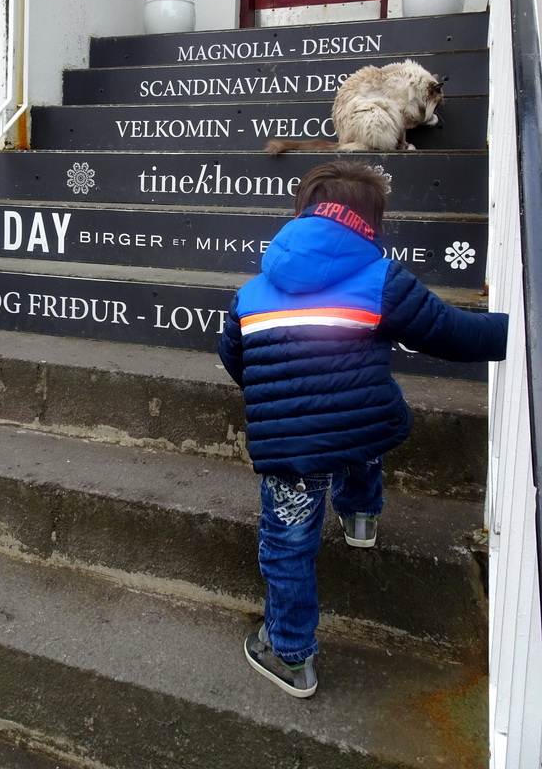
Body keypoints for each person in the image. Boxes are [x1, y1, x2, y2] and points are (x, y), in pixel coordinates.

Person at [217, 161, 508, 699]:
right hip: (365, 424)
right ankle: (360, 517)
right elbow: (451, 332)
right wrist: (517, 330)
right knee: (365, 426)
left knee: (287, 544)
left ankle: (289, 655)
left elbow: (236, 360)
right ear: (370, 224)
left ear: (300, 214)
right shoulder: (381, 279)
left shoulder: (252, 292)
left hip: (293, 449)